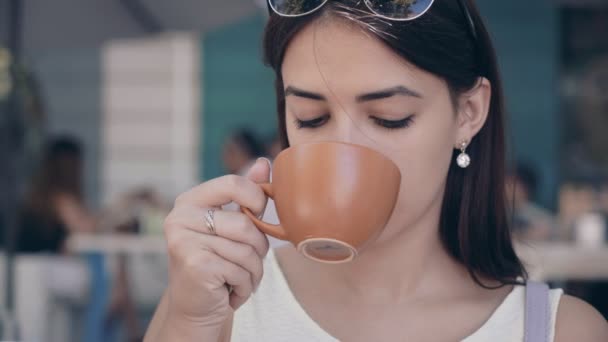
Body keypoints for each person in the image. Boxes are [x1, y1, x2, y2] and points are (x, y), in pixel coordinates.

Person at [145, 1, 608, 341]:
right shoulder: (224, 302)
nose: (343, 148)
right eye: (310, 118)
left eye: (390, 118)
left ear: (467, 112)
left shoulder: (559, 331)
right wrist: (188, 323)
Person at [16, 136, 95, 253]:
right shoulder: (57, 198)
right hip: (38, 265)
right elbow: (88, 230)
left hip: (40, 263)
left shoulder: (40, 195)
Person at [506, 162, 556, 242]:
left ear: (526, 189)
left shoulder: (538, 217)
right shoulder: (500, 213)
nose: (506, 187)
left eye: (512, 184)